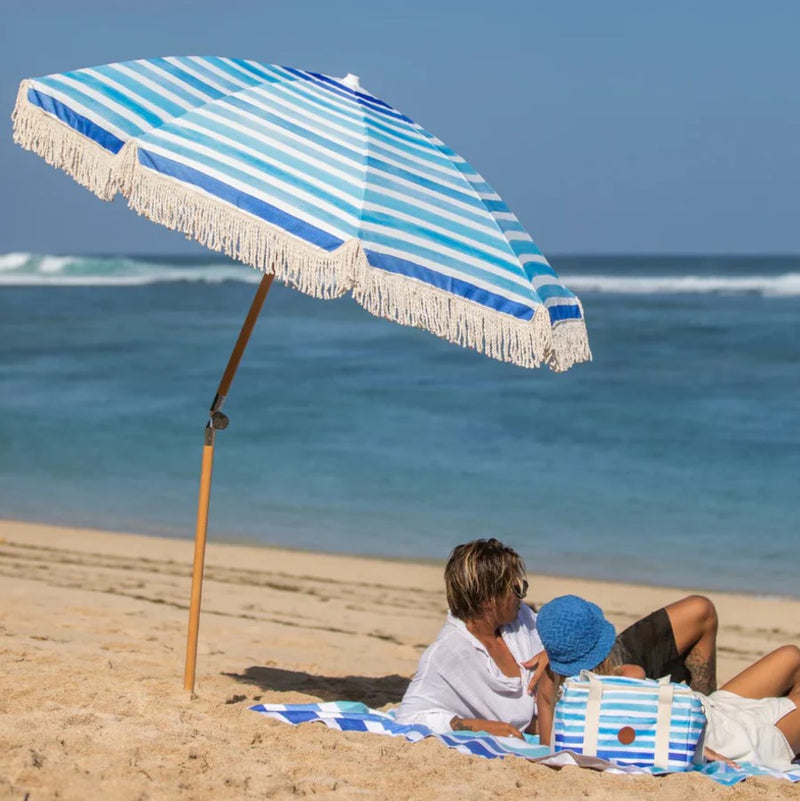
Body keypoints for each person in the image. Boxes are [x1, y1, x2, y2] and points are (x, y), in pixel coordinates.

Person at [395, 538, 720, 738]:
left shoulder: (518, 619)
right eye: (516, 588)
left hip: (598, 664)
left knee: (699, 610)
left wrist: (553, 654)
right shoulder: (449, 655)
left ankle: (708, 708)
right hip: (586, 707)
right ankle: (707, 722)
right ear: (488, 601)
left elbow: (564, 639)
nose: (523, 594)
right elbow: (408, 716)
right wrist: (478, 726)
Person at [535, 595, 800, 771]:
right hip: (733, 738)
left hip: (711, 713)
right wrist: (704, 753)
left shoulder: (549, 690)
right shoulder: (628, 676)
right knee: (792, 657)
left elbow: (555, 752)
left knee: (791, 656)